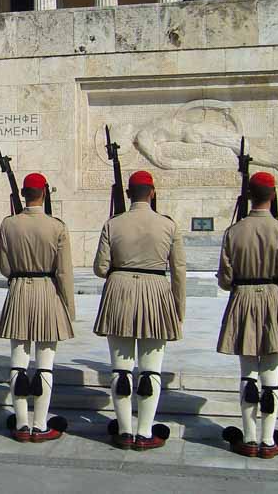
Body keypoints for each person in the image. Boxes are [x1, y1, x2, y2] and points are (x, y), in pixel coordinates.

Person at [217, 171, 278, 459]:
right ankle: (268, 440)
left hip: (243, 299)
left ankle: (249, 436)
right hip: (274, 300)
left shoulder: (234, 231)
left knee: (248, 375)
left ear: (248, 197)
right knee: (272, 375)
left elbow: (225, 279)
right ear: (273, 195)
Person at [92, 170, 186, 451]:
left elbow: (100, 268)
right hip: (156, 293)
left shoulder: (114, 224)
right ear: (153, 192)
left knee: (121, 369)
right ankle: (144, 432)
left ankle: (123, 430)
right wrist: (177, 309)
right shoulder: (168, 225)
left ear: (128, 194)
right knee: (150, 371)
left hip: (120, 291)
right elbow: (179, 271)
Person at [0, 173, 75, 443]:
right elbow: (64, 273)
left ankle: (20, 423)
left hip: (18, 291)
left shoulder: (8, 225)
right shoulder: (57, 226)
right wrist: (68, 309)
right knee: (45, 365)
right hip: (47, 292)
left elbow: (5, 268)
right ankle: (39, 425)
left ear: (23, 194)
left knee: (18, 364)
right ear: (44, 193)